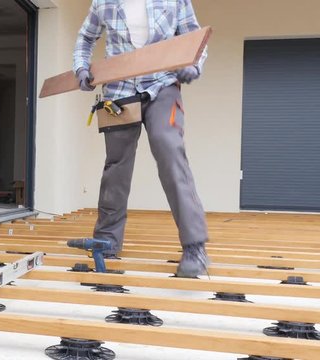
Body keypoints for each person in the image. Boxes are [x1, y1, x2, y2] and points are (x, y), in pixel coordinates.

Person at [72, 0, 209, 277]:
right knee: (116, 166)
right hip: (119, 91)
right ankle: (107, 239)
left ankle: (195, 246)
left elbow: (195, 39)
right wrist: (81, 67)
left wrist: (193, 65)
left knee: (169, 151)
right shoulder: (103, 2)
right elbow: (86, 37)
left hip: (162, 86)